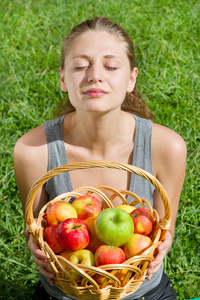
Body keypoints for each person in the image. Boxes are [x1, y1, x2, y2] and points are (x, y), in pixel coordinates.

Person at [14, 17, 187, 300]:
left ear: (131, 78)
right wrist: (35, 243)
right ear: (62, 79)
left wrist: (162, 244)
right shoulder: (34, 150)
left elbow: (166, 228)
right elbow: (36, 228)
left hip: (143, 293)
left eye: (110, 66)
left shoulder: (166, 147)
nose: (94, 75)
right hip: (67, 293)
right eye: (81, 66)